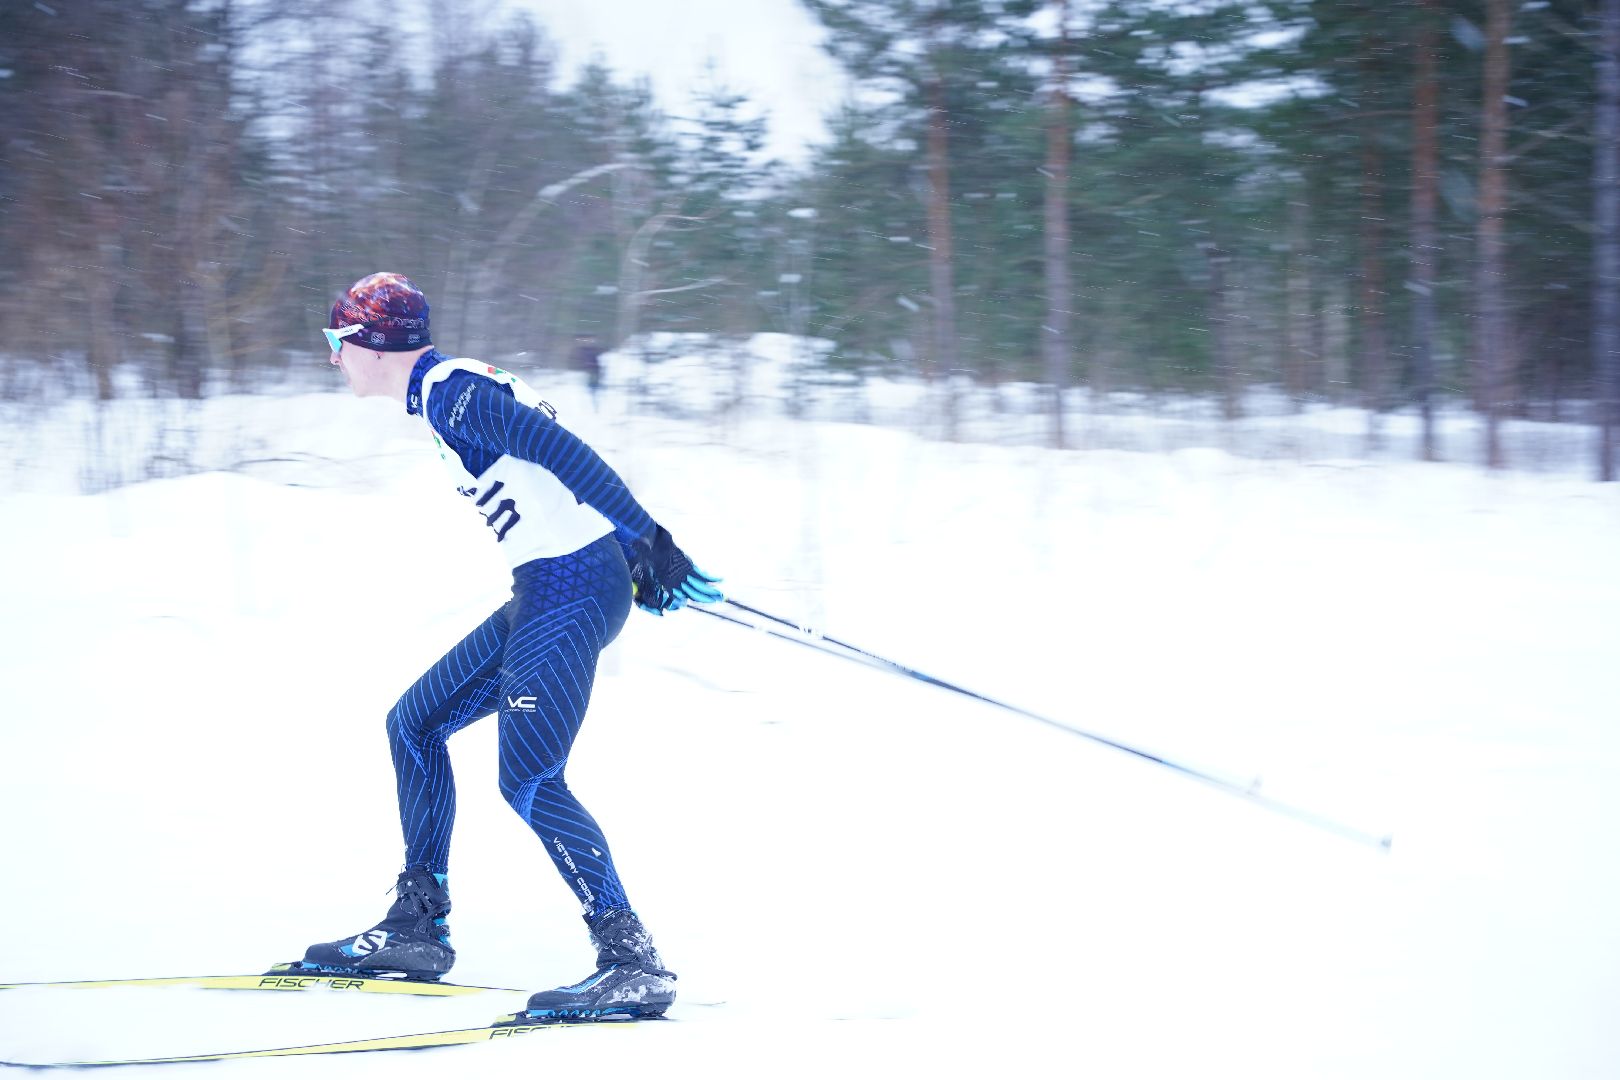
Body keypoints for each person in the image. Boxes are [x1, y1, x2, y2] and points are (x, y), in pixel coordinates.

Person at [294, 272, 722, 1022]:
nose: (333, 356)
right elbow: (553, 477)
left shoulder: (454, 395)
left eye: (338, 340)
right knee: (413, 724)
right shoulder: (449, 392)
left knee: (530, 779)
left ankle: (631, 961)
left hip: (570, 588)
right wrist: (632, 555)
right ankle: (417, 925)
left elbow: (565, 452)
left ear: (373, 344)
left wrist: (649, 541)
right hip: (554, 585)